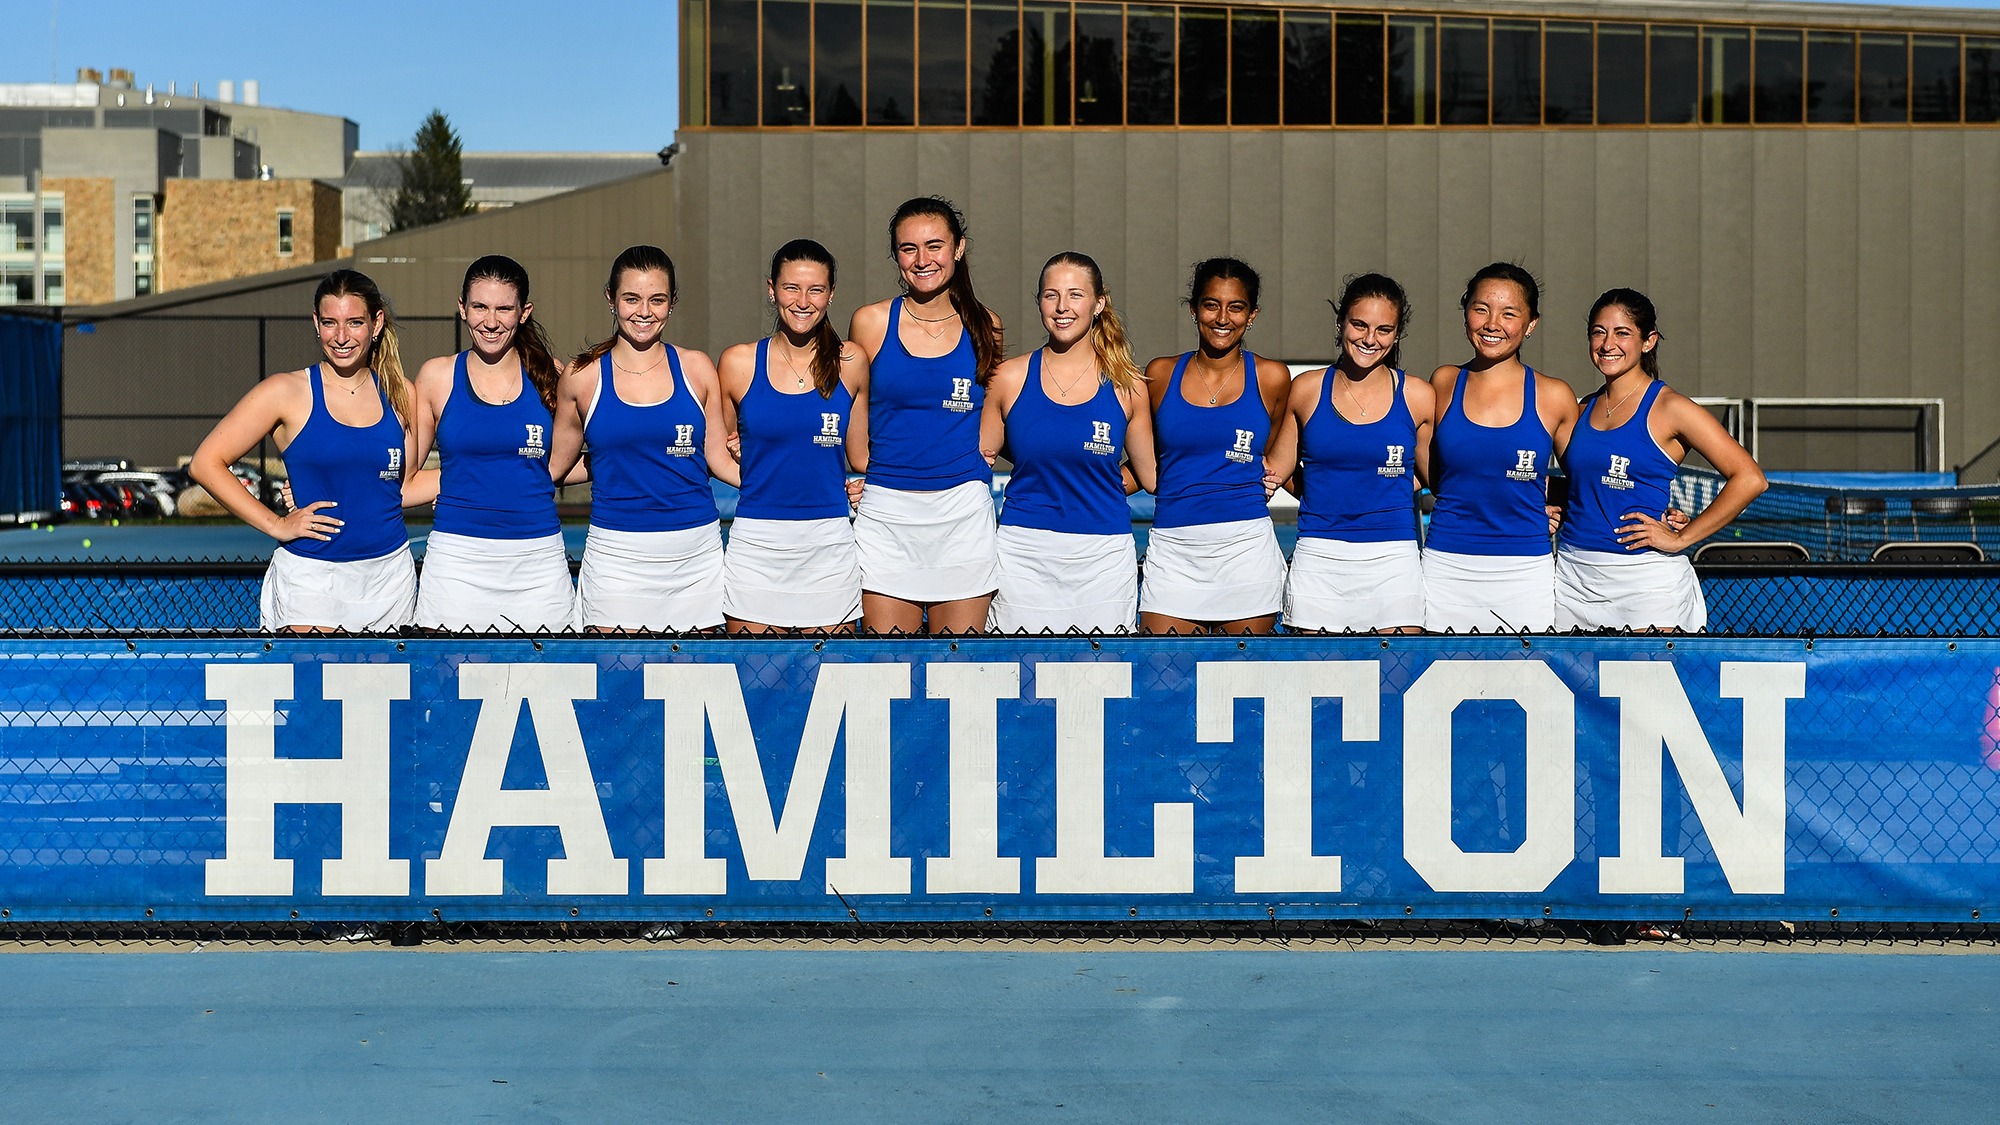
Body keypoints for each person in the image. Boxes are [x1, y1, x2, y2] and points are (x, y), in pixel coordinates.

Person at [189, 269, 416, 632]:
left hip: (389, 577)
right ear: (316, 323)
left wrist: (492, 478)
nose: (341, 337)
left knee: (379, 688)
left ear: (376, 324)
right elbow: (205, 464)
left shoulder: (401, 392)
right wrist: (277, 524)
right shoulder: (285, 391)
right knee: (312, 686)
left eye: (355, 322)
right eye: (330, 322)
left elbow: (402, 486)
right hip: (312, 579)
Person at [1554, 288, 1766, 631]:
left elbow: (1750, 478)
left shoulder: (1671, 408)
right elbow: (1586, 488)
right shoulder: (1581, 408)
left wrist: (1683, 537)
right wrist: (1547, 502)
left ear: (1648, 341)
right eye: (1598, 331)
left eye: (1622, 333)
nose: (1608, 344)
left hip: (1645, 586)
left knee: (1647, 682)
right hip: (1574, 579)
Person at [549, 245, 729, 632]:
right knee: (616, 682)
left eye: (657, 300)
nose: (644, 311)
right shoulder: (583, 376)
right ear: (611, 299)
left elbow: (720, 461)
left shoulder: (697, 368)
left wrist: (817, 479)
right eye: (631, 298)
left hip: (695, 557)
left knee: (699, 680)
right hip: (617, 559)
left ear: (672, 303)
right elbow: (555, 467)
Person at [846, 196, 1004, 635]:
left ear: (958, 248)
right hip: (887, 513)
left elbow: (1000, 415)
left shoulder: (986, 325)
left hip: (963, 515)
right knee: (889, 666)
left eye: (934, 245)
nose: (922, 260)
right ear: (896, 256)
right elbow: (835, 411)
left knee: (961, 671)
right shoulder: (871, 322)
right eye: (908, 248)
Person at [981, 252, 1155, 632]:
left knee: (1105, 675)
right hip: (1023, 551)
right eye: (1050, 295)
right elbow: (975, 460)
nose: (1062, 307)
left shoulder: (1130, 387)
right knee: (1018, 675)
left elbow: (1151, 476)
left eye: (1075, 295)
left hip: (1103, 554)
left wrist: (1245, 471)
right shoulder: (1007, 378)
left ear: (1098, 304)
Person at [406, 255, 573, 632]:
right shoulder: (437, 376)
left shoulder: (554, 375)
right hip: (457, 564)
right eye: (480, 307)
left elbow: (570, 462)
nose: (491, 321)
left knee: (548, 682)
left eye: (504, 309)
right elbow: (403, 481)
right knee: (446, 686)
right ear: (462, 308)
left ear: (524, 312)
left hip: (538, 562)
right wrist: (308, 488)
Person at [714, 239, 869, 633]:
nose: (803, 301)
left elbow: (862, 457)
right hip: (757, 544)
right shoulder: (738, 362)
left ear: (831, 294)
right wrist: (756, 473)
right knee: (754, 683)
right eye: (791, 288)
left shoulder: (851, 362)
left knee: (833, 681)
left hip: (829, 543)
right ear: (771, 290)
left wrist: (872, 484)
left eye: (816, 289)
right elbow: (720, 446)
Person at [1266, 273, 1434, 632]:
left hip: (1393, 562)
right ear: (1340, 321)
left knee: (1397, 677)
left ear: (1397, 333)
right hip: (1319, 559)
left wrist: (1533, 500)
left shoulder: (1418, 395)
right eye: (1359, 325)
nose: (1369, 339)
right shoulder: (1307, 389)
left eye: (1383, 330)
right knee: (1313, 679)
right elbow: (1275, 470)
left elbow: (1440, 477)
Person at [1422, 262, 1580, 633]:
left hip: (1524, 572)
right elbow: (1430, 474)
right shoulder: (1444, 382)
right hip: (1447, 566)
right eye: (1481, 309)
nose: (1493, 324)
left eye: (1509, 313)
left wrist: (1662, 513)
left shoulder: (1553, 395)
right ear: (1465, 314)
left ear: (1531, 324)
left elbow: (1586, 478)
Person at [1138, 258, 1291, 634]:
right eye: (1211, 305)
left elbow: (1275, 453)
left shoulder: (1272, 377)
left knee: (1243, 684)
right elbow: (1146, 460)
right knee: (1164, 681)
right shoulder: (1159, 374)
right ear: (1193, 309)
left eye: (1236, 307)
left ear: (1252, 315)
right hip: (1173, 551)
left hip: (1245, 553)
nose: (1223, 318)